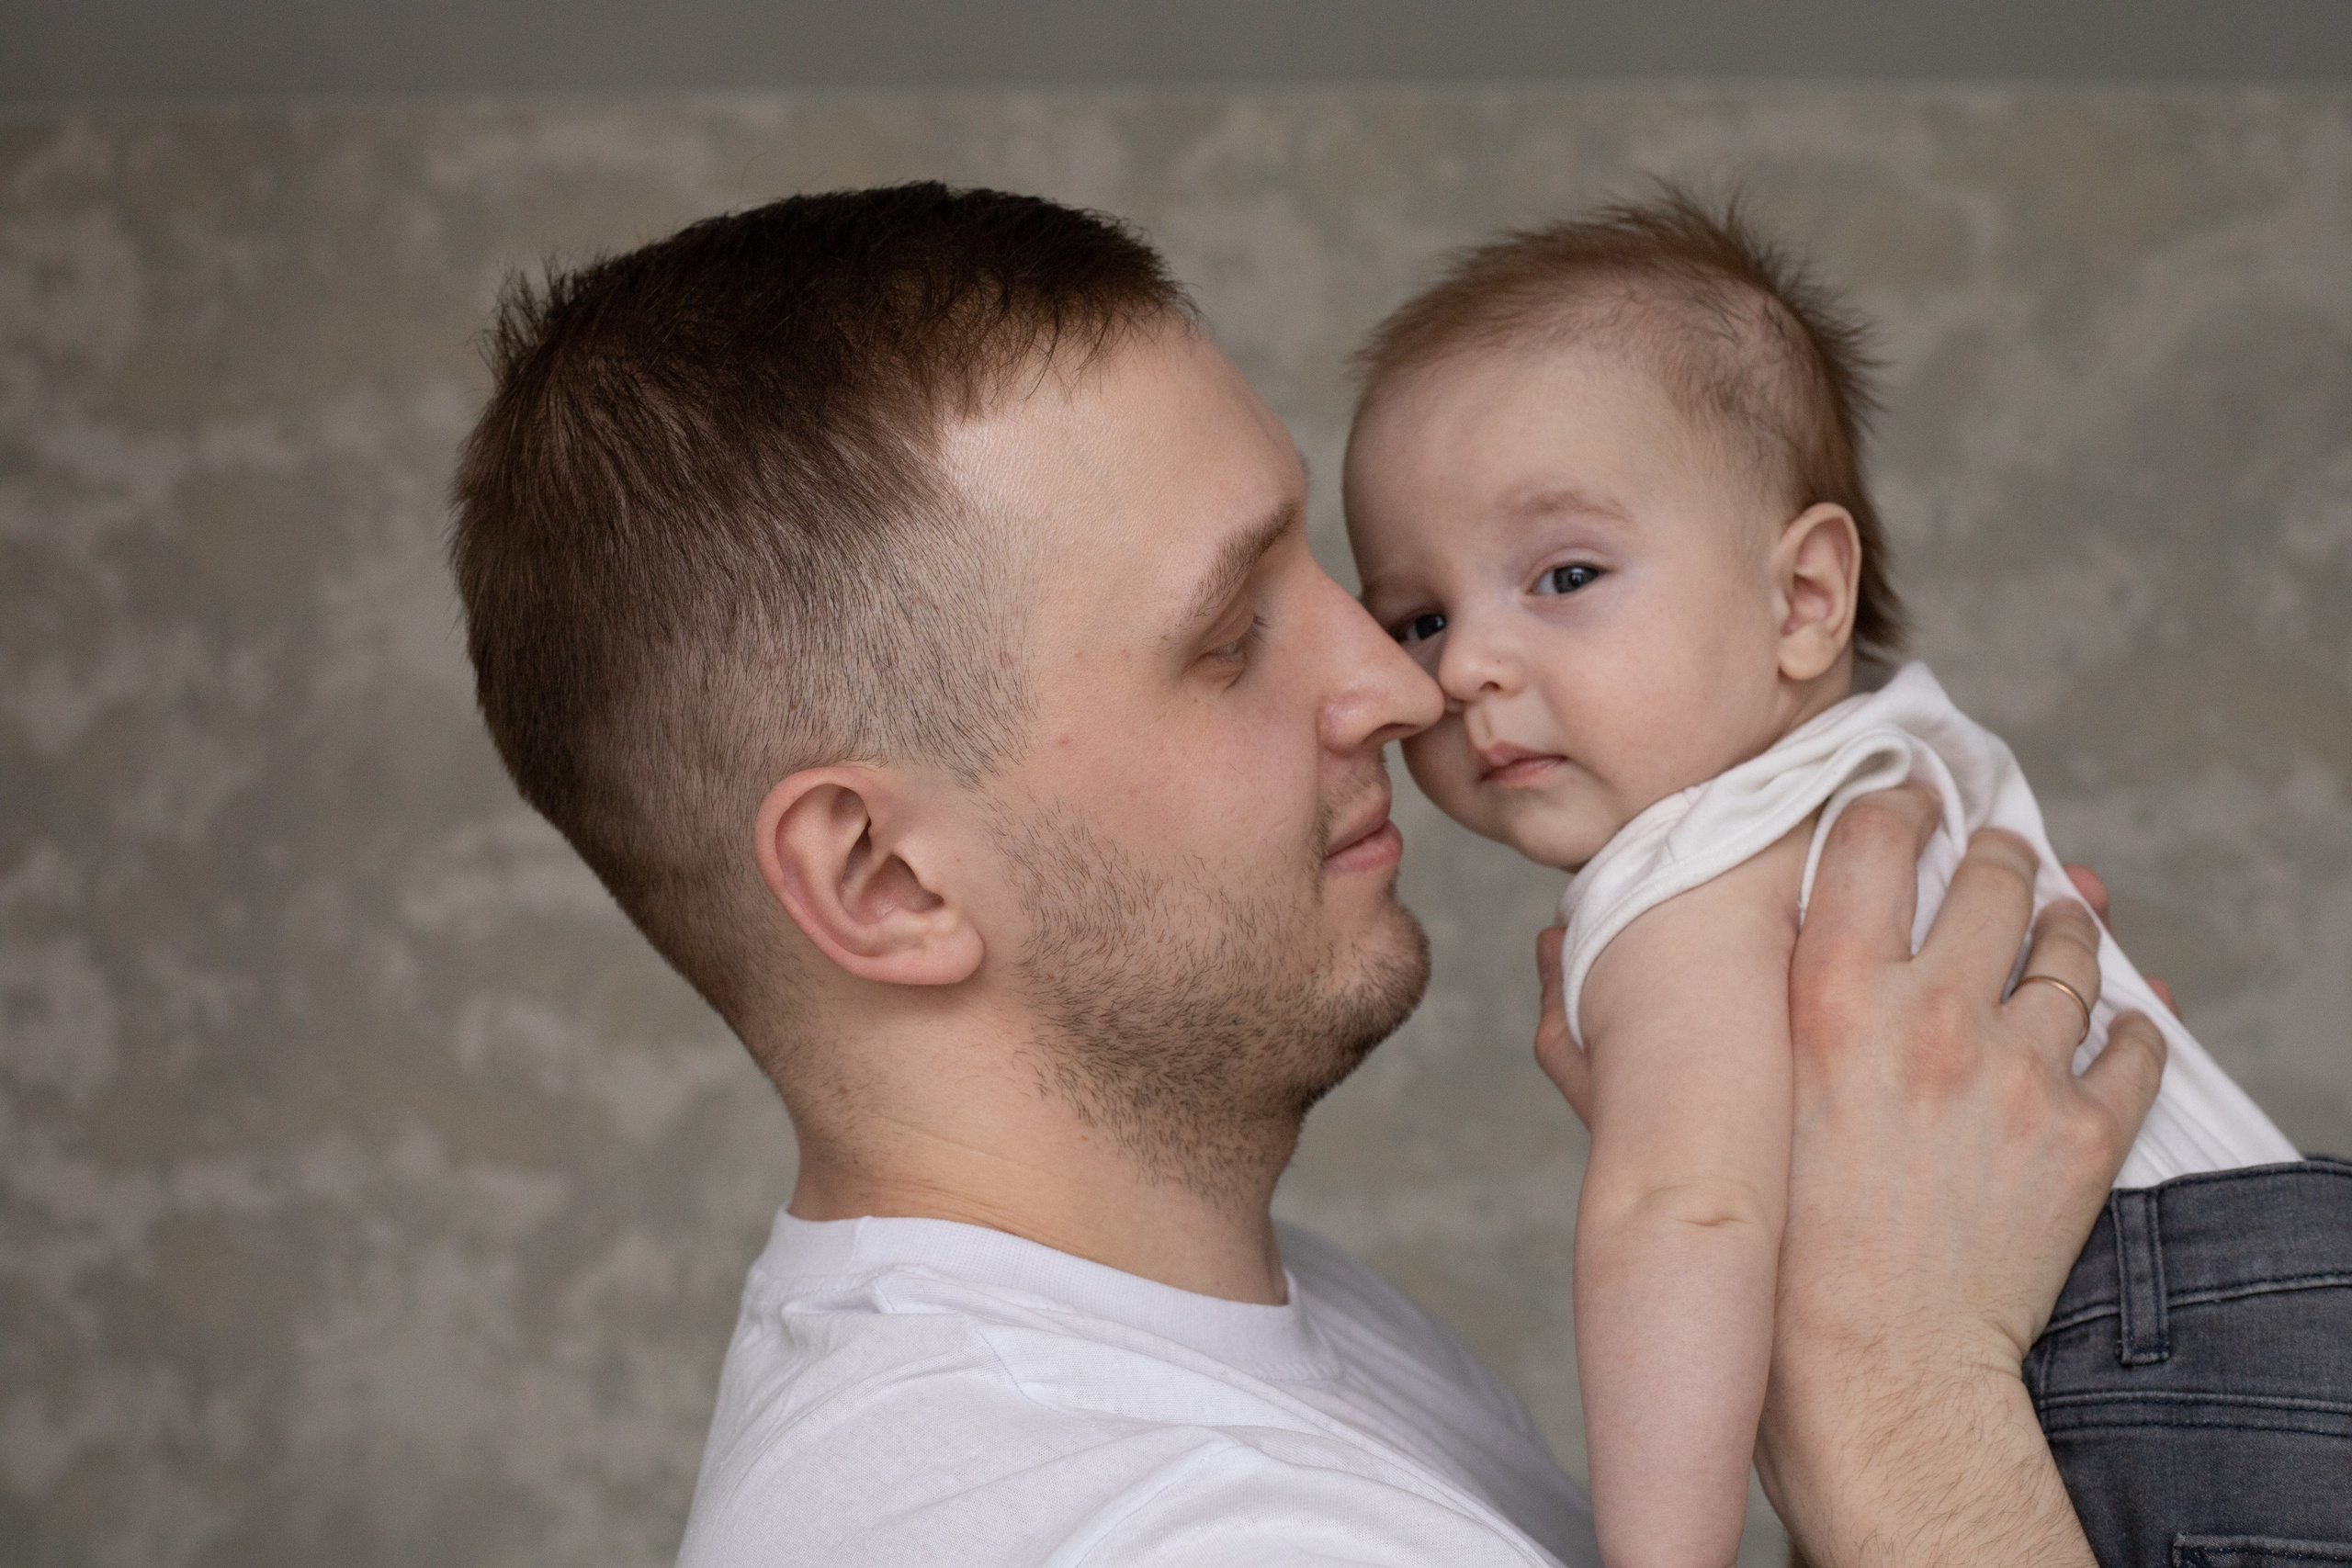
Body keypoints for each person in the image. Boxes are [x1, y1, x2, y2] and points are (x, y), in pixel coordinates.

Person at [448, 182, 2166, 1567]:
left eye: (1335, 581)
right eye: (1227, 636)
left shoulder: (1268, 1327)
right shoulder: (1162, 1529)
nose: (1405, 685)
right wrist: (1900, 1403)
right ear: (887, 878)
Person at [1342, 191, 2350, 1568]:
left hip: (2165, 1373)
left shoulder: (1683, 871)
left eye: (1564, 573)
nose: (1464, 668)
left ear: (1805, 599)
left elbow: (1680, 1215)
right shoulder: (1902, 766)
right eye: (1421, 615)